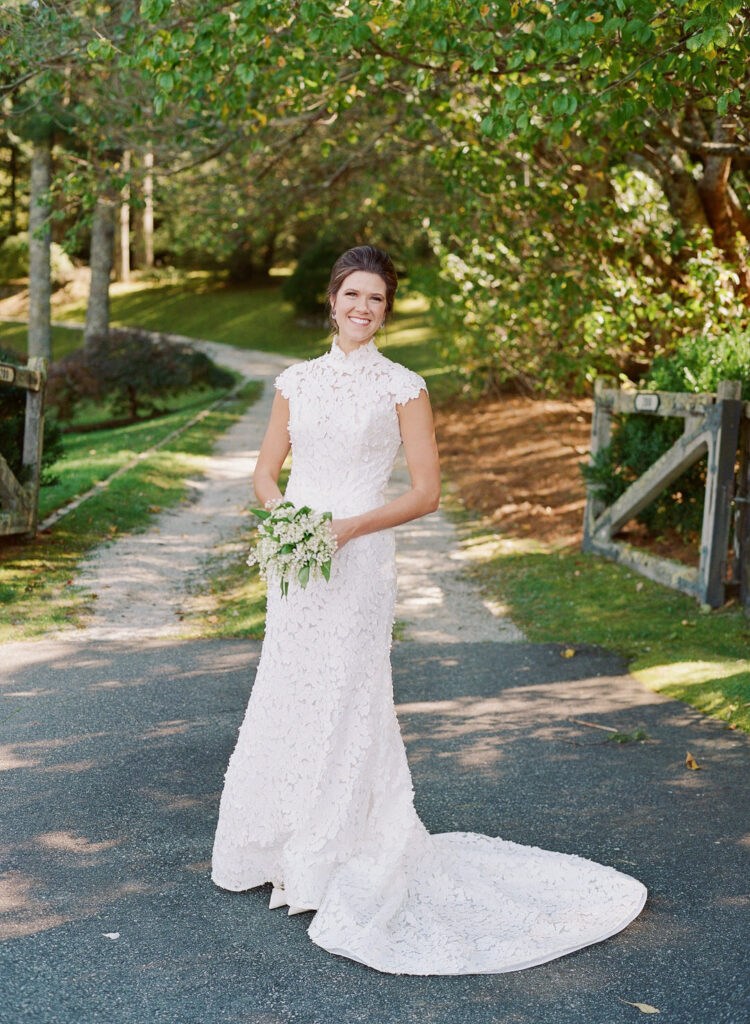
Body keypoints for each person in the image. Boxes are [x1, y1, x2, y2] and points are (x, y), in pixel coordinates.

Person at [211, 245, 647, 975]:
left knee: (349, 694)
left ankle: (338, 848)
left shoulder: (405, 387)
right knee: (289, 688)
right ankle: (279, 840)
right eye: (352, 294)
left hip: (361, 552)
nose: (362, 308)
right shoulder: (295, 381)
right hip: (298, 561)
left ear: (386, 310)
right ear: (332, 299)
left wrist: (346, 528)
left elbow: (425, 494)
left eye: (376, 299)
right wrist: (287, 520)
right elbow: (264, 471)